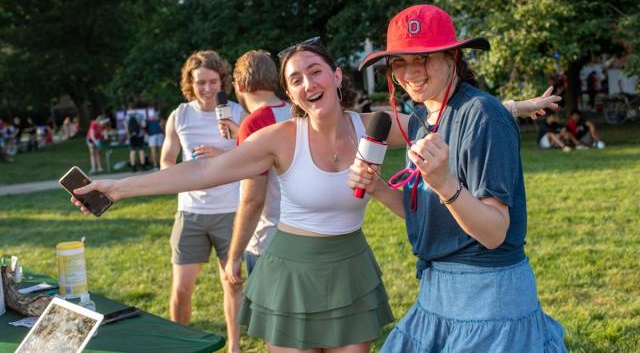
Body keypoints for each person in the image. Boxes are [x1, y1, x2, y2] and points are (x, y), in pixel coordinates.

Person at [70, 38, 559, 351]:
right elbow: (205, 173)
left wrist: (514, 106)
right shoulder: (280, 138)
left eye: (315, 71)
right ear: (289, 93)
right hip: (291, 271)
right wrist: (115, 187)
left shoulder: (373, 126)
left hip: (350, 268)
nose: (308, 84)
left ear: (337, 76)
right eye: (295, 80)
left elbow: (449, 115)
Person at [351, 4, 567, 352]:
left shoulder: (483, 116)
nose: (410, 72)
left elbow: (495, 232)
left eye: (422, 58)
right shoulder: (424, 114)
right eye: (400, 62)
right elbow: (427, 215)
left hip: (487, 301)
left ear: (452, 56)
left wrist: (445, 184)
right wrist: (377, 187)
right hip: (437, 296)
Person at [159, 50, 246, 353]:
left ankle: (234, 347)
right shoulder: (179, 115)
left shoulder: (237, 112)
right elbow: (166, 163)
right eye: (200, 83)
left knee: (232, 283)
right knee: (182, 289)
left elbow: (255, 157)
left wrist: (221, 157)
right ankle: (178, 345)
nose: (207, 89)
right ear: (190, 83)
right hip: (191, 213)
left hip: (230, 211)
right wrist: (190, 172)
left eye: (212, 82)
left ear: (223, 81)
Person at [220, 50, 291, 281]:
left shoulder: (255, 123)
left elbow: (253, 199)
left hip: (269, 240)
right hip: (306, 234)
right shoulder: (296, 110)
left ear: (239, 85)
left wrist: (234, 255)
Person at [125, 104, 147, 172]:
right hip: (139, 135)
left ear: (129, 108)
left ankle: (133, 167)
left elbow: (126, 127)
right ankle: (143, 166)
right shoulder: (140, 115)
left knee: (132, 151)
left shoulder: (127, 116)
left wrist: (129, 135)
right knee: (141, 150)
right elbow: (144, 125)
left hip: (131, 136)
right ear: (136, 108)